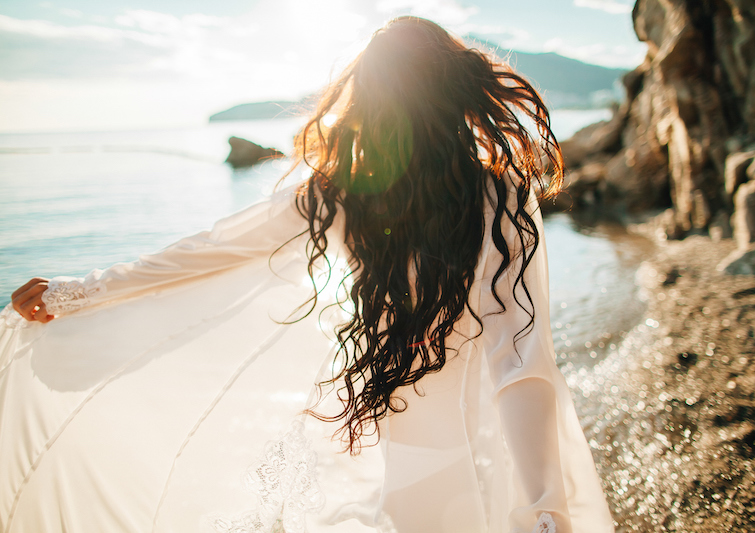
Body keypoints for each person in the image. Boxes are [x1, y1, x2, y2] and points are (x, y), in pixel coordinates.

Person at [1, 16, 614, 533]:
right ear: (458, 92)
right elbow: (520, 356)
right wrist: (543, 504)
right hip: (476, 442)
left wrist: (79, 293)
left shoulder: (341, 194)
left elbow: (205, 251)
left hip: (387, 440)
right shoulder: (497, 194)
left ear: (370, 100)